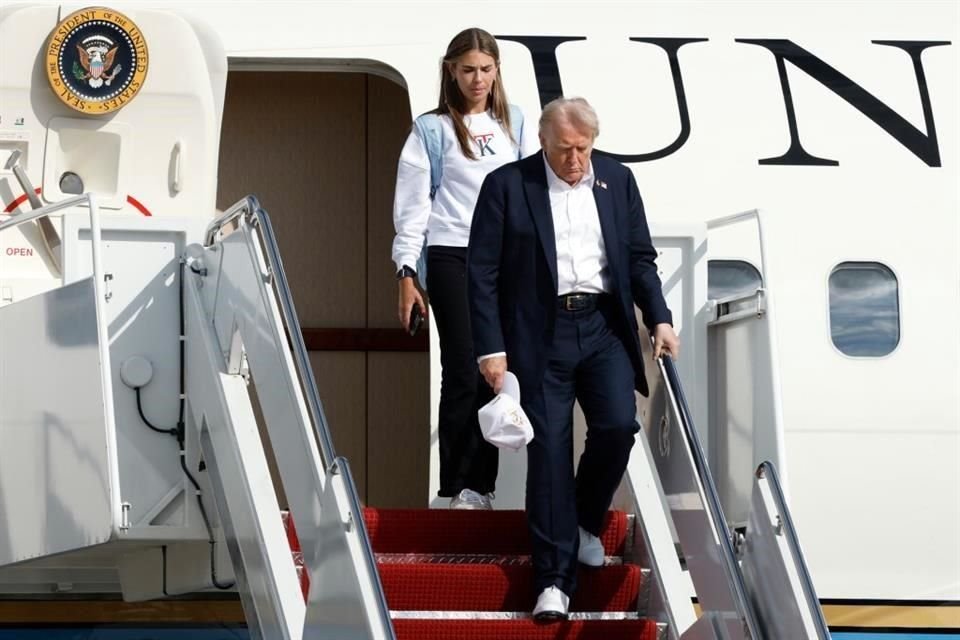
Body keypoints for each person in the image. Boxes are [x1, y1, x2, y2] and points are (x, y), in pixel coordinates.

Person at [467, 97, 679, 619]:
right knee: (551, 452)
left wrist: (660, 318)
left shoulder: (616, 180)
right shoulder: (508, 186)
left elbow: (638, 258)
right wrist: (492, 351)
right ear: (542, 141)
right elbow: (482, 273)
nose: (576, 160)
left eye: (584, 148)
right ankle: (554, 582)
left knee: (616, 427)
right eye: (566, 149)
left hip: (604, 325)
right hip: (541, 333)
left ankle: (583, 523)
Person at [391, 28, 538, 510]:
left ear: (497, 72)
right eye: (469, 69)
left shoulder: (513, 122)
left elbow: (526, 195)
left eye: (486, 69)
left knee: (492, 370)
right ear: (451, 71)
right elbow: (413, 209)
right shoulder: (431, 129)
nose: (478, 79)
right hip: (453, 254)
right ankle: (453, 486)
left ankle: (481, 487)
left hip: (504, 259)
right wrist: (407, 273)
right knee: (460, 366)